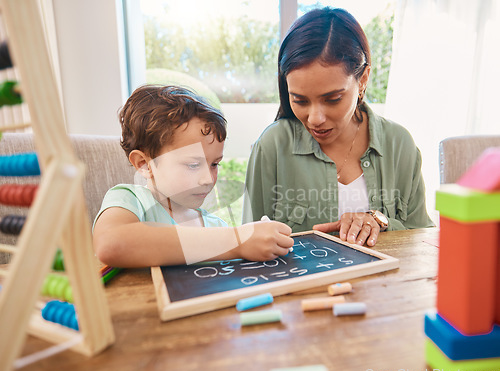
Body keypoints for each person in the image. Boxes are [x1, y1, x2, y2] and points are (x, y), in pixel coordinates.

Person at [243, 7, 434, 247]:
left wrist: (379, 222)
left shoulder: (399, 144)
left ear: (363, 79)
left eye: (332, 99)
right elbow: (248, 242)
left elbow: (423, 240)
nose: (315, 118)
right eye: (300, 100)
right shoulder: (273, 146)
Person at [93, 85, 293, 267]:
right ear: (145, 164)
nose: (208, 179)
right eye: (193, 165)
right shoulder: (130, 201)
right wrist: (236, 240)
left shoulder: (217, 227)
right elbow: (110, 243)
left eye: (215, 164)